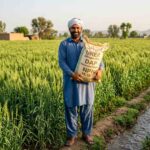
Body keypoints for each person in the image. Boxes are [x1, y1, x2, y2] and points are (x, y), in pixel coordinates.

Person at [58, 18, 104, 146]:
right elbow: (62, 62)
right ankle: (71, 136)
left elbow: (99, 60)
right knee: (71, 109)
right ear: (69, 29)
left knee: (87, 109)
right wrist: (72, 74)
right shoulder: (64, 45)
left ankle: (87, 134)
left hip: (87, 84)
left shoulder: (88, 44)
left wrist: (100, 70)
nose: (76, 30)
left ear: (81, 29)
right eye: (73, 28)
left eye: (78, 28)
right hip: (71, 83)